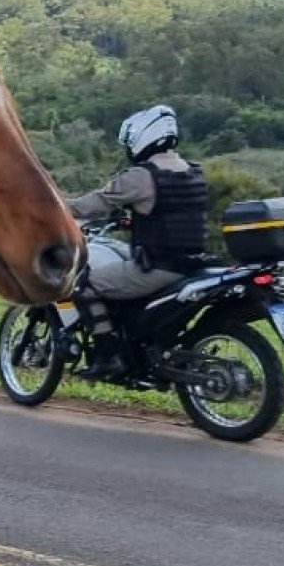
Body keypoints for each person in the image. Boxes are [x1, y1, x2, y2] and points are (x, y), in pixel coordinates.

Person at [64, 103, 210, 380]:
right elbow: (172, 213)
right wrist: (136, 220)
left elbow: (92, 204)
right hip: (192, 264)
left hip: (157, 267)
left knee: (84, 285)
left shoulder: (141, 176)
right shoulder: (192, 171)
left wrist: (53, 207)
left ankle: (107, 357)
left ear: (143, 138)